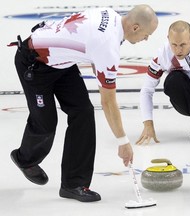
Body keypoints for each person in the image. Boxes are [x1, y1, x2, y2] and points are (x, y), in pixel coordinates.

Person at [8, 5, 158, 202]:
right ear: (136, 28)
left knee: (84, 112)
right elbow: (108, 101)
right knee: (46, 123)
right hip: (34, 62)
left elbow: (93, 49)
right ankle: (25, 159)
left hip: (63, 63)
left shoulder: (111, 15)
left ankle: (73, 184)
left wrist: (104, 74)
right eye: (146, 35)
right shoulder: (108, 45)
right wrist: (123, 142)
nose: (146, 40)